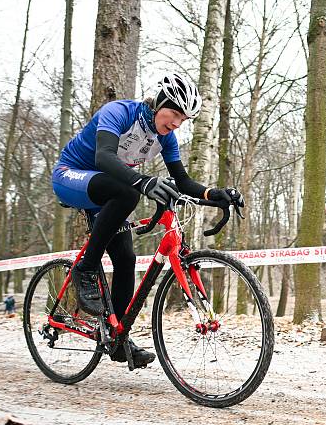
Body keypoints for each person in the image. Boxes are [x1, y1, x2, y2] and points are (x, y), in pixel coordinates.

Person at [51, 73, 241, 368]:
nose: (177, 123)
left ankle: (117, 338)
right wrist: (143, 182)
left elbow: (183, 181)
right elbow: (103, 157)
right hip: (71, 176)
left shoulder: (166, 138)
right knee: (127, 193)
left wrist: (214, 194)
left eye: (184, 119)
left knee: (126, 259)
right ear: (160, 103)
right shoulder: (119, 112)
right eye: (175, 113)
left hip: (113, 190)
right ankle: (85, 267)